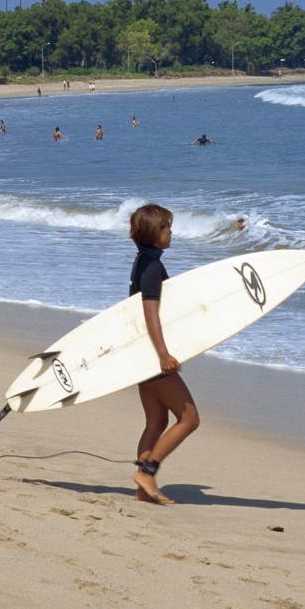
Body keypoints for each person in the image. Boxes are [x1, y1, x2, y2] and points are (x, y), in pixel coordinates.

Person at [128, 203, 198, 505]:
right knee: (189, 418)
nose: (172, 232)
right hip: (152, 356)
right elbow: (150, 311)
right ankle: (148, 471)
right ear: (155, 232)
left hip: (140, 353)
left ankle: (143, 491)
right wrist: (163, 354)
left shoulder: (142, 260)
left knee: (156, 422)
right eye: (167, 227)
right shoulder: (152, 266)